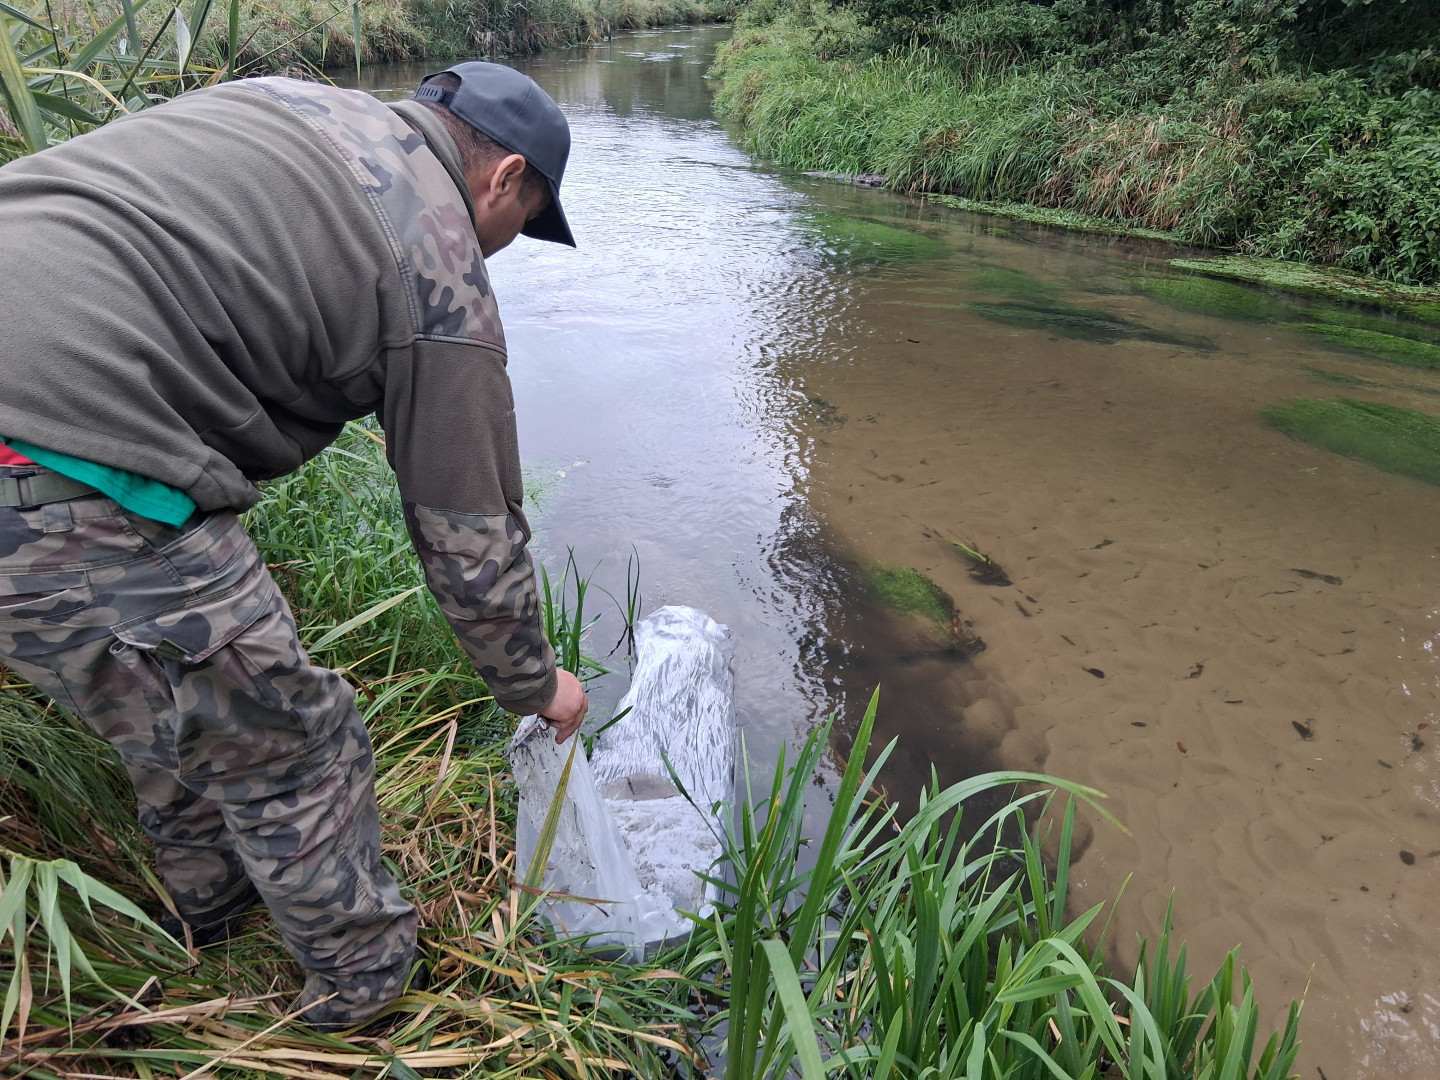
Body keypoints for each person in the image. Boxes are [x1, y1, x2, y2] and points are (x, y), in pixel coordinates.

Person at [0, 61, 588, 1031]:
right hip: (61, 450)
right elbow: (469, 535)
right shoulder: (438, 258)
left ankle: (212, 926)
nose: (507, 245)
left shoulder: (291, 102)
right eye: (523, 221)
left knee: (175, 705)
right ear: (505, 176)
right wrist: (535, 684)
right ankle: (366, 1001)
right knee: (290, 741)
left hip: (42, 413)